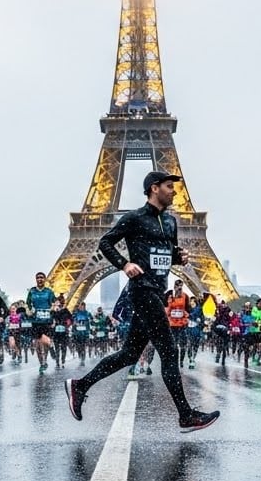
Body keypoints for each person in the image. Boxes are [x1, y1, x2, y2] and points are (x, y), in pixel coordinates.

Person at [64, 172, 219, 432]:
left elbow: (168, 254)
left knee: (129, 354)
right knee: (169, 351)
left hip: (157, 291)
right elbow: (105, 242)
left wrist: (179, 257)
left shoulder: (170, 221)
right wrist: (124, 264)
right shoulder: (134, 218)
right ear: (154, 188)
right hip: (142, 290)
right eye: (169, 186)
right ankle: (185, 414)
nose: (174, 191)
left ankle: (80, 386)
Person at [26, 273, 57, 374]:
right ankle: (42, 363)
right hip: (35, 320)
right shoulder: (32, 291)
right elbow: (28, 304)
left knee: (44, 343)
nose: (40, 279)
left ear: (45, 279)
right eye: (38, 278)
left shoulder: (49, 292)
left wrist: (53, 308)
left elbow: (55, 303)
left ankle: (46, 356)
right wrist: (29, 310)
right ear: (36, 279)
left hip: (46, 320)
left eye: (41, 278)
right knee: (37, 344)